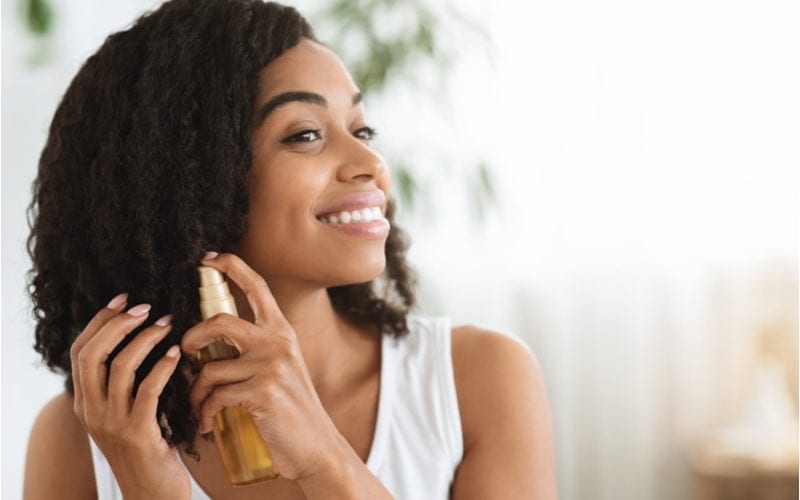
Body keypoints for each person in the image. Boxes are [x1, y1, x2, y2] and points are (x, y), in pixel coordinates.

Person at [22, 0, 558, 498]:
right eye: (305, 134)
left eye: (361, 128)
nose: (370, 164)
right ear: (186, 182)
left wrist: (323, 457)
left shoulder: (477, 378)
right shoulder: (81, 439)